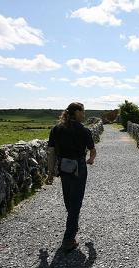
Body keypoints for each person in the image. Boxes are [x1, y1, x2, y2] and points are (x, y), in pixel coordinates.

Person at [46, 102, 97, 251]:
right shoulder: (84, 131)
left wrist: (50, 174)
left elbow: (51, 152)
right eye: (83, 111)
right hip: (79, 168)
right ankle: (68, 239)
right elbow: (93, 151)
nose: (84, 114)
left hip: (64, 167)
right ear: (76, 112)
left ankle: (72, 226)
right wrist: (91, 160)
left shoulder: (56, 129)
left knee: (69, 200)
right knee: (75, 203)